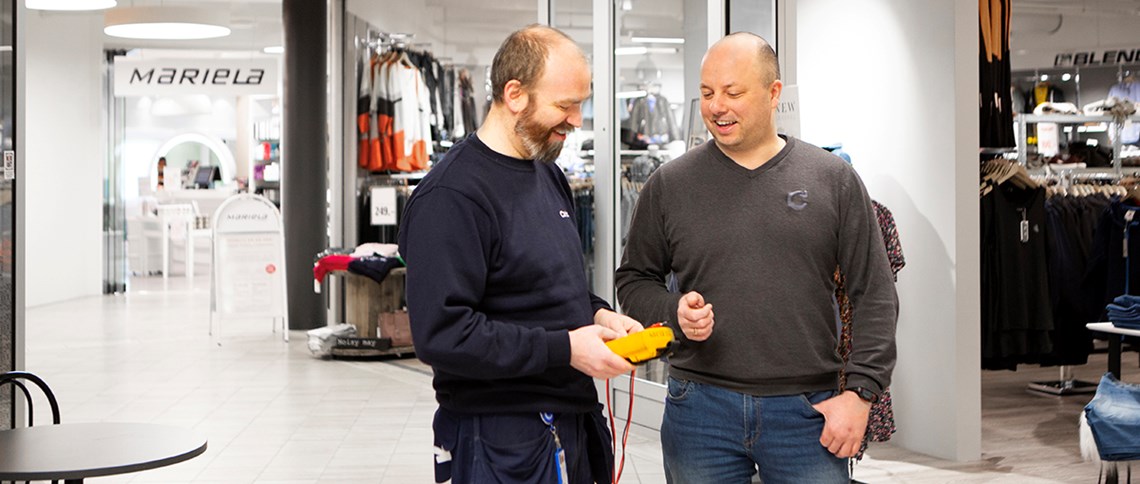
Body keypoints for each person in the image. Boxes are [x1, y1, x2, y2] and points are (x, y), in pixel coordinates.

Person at [615, 32, 899, 483]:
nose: (716, 107)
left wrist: (861, 394)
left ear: (773, 93)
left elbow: (875, 295)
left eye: (733, 92)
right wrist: (673, 312)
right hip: (698, 409)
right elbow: (633, 280)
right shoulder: (669, 184)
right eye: (707, 93)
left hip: (807, 411)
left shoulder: (834, 180)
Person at [398, 24, 643, 484]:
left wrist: (598, 317)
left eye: (581, 105)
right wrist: (566, 348)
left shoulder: (546, 174)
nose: (576, 120)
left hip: (570, 422)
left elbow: (546, 288)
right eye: (565, 105)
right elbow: (442, 335)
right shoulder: (451, 197)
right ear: (514, 94)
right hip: (498, 440)